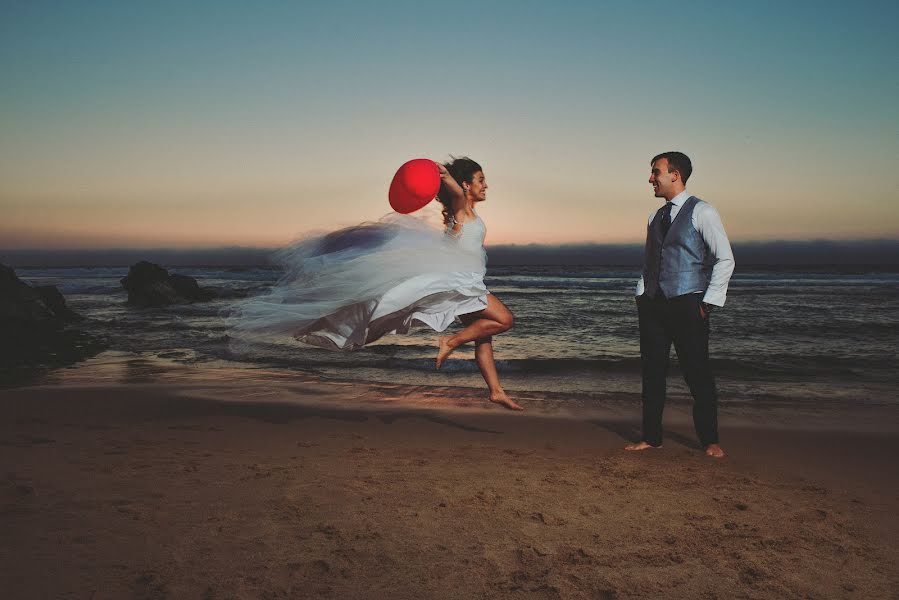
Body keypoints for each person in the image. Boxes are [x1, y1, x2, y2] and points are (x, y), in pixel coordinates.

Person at [228, 157, 522, 411]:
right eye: (481, 180)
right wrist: (441, 173)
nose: (486, 185)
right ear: (466, 186)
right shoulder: (463, 208)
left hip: (464, 280)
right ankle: (451, 341)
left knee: (485, 336)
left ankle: (495, 391)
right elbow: (455, 191)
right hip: (461, 282)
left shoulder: (467, 212)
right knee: (504, 319)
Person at [626, 151, 734, 458]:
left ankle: (710, 440)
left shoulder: (703, 211)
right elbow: (650, 262)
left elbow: (725, 258)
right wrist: (642, 294)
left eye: (655, 172)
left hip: (688, 303)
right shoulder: (654, 217)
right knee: (652, 373)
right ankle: (651, 438)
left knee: (697, 372)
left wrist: (708, 302)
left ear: (675, 175)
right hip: (653, 305)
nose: (651, 178)